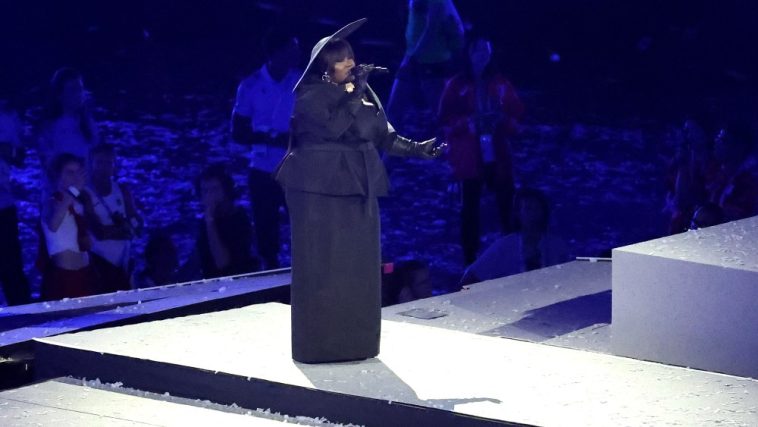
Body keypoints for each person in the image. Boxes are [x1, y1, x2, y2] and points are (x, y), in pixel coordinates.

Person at [276, 18, 443, 364]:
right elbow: (335, 128)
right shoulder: (309, 97)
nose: (350, 63)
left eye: (350, 56)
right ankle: (319, 346)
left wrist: (418, 149)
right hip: (319, 191)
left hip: (359, 186)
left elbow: (385, 135)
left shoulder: (363, 92)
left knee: (360, 267)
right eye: (341, 59)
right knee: (324, 267)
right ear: (325, 67)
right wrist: (354, 94)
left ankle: (357, 343)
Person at [439, 36, 524, 265]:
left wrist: (503, 121)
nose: (482, 57)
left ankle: (511, 247)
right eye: (478, 52)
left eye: (486, 52)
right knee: (470, 206)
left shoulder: (500, 83)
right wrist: (466, 124)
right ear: (469, 54)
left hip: (497, 151)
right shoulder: (457, 85)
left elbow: (517, 114)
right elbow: (444, 118)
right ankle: (470, 256)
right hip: (470, 154)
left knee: (506, 200)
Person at [231, 29, 302, 270]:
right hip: (262, 169)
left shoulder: (301, 82)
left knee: (303, 226)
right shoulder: (250, 86)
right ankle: (270, 276)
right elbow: (238, 132)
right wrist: (272, 139)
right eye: (292, 49)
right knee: (265, 230)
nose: (297, 54)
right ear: (276, 53)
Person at [460, 188, 570, 286]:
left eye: (537, 208)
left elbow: (567, 281)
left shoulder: (557, 245)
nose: (533, 213)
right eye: (528, 208)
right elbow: (471, 277)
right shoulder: (505, 246)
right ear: (519, 213)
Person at [386, 0, 465, 132]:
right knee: (394, 110)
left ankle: (448, 149)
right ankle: (389, 151)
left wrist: (413, 56)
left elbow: (431, 29)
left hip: (434, 61)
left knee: (440, 115)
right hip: (413, 56)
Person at [83, 144, 142, 293]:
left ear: (114, 165)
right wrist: (123, 229)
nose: (104, 167)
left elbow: (136, 223)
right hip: (97, 263)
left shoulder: (122, 191)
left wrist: (129, 228)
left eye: (108, 163)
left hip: (123, 262)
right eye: (100, 162)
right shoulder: (84, 193)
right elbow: (98, 232)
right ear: (91, 163)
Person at [39, 153, 97, 300]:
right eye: (70, 172)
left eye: (78, 172)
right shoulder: (51, 202)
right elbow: (53, 224)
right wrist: (75, 190)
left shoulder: (79, 204)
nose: (75, 176)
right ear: (58, 176)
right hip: (64, 276)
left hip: (85, 272)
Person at [195, 164, 259, 279]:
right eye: (205, 191)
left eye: (214, 190)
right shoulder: (203, 222)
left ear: (226, 190)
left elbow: (222, 263)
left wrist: (210, 223)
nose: (210, 196)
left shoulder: (238, 218)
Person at [0, 97, 31, 305]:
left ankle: (25, 326)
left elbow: (20, 156)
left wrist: (9, 150)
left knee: (11, 268)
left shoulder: (8, 116)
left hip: (3, 202)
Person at [37, 68, 100, 167]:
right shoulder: (50, 129)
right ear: (60, 95)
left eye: (80, 89)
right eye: (73, 89)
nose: (79, 94)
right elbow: (49, 166)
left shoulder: (88, 123)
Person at [708, 122, 758, 222]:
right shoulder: (722, 175)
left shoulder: (750, 182)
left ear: (740, 147)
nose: (716, 143)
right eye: (717, 138)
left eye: (723, 140)